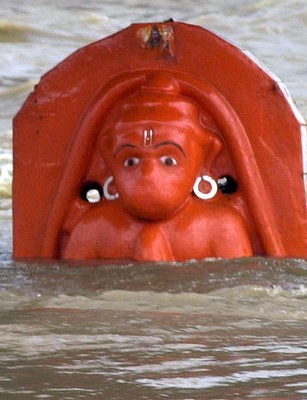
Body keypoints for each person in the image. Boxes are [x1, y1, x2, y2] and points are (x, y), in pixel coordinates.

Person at [59, 72, 253, 261]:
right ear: (110, 160)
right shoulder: (94, 229)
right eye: (131, 161)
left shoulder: (221, 229)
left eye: (168, 161)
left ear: (205, 159)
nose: (147, 174)